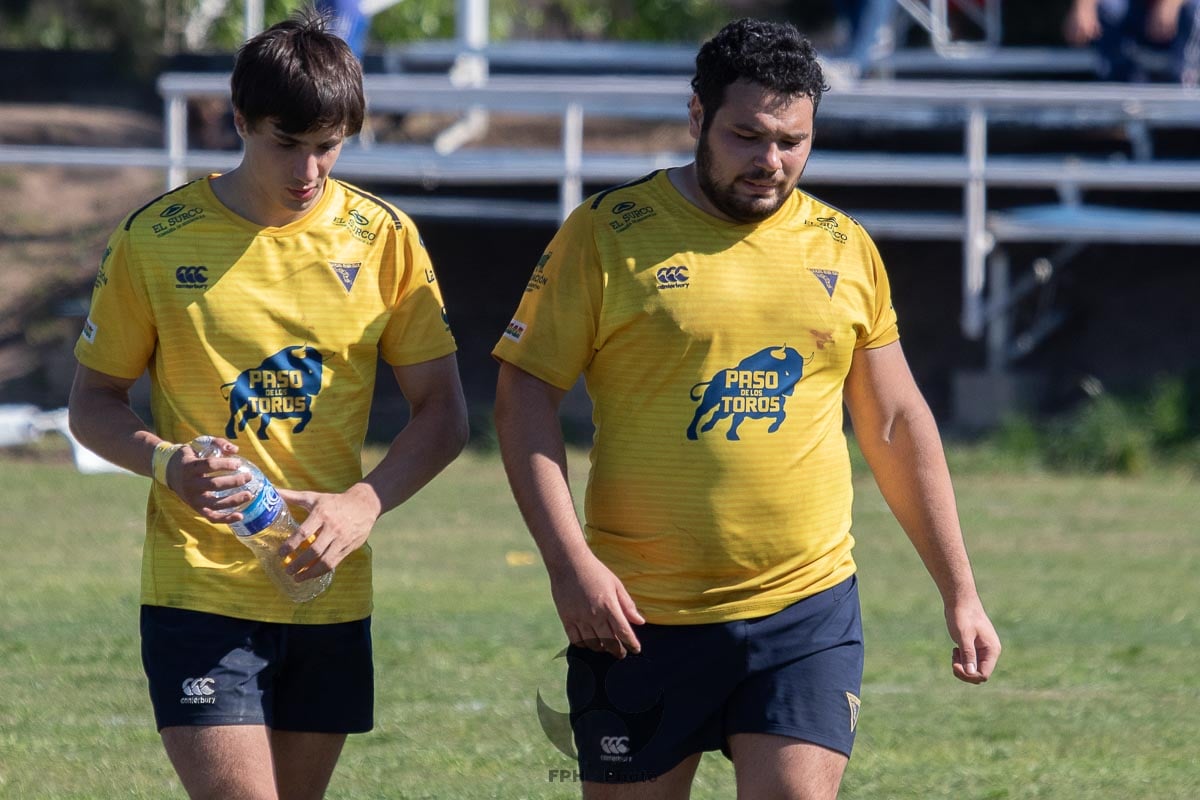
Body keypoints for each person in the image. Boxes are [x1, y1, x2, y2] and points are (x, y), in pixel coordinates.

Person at [492, 17, 1000, 799]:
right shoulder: (606, 234)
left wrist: (960, 590)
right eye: (747, 136)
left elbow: (896, 422)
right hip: (635, 614)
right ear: (697, 117)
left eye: (794, 141)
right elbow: (524, 392)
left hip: (805, 608)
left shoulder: (843, 245)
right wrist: (569, 567)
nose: (771, 162)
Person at [68, 8, 468, 799]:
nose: (309, 170)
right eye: (287, 143)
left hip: (325, 585)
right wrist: (164, 462)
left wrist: (364, 504)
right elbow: (93, 403)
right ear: (241, 119)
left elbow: (444, 414)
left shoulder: (383, 237)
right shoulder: (157, 239)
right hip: (200, 586)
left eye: (328, 145)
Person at [1064, 0, 1200, 86]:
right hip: (1138, 14)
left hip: (1181, 19)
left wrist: (1170, 4)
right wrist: (1083, 7)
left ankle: (1185, 87)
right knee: (1109, 8)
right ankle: (1121, 89)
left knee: (1194, 8)